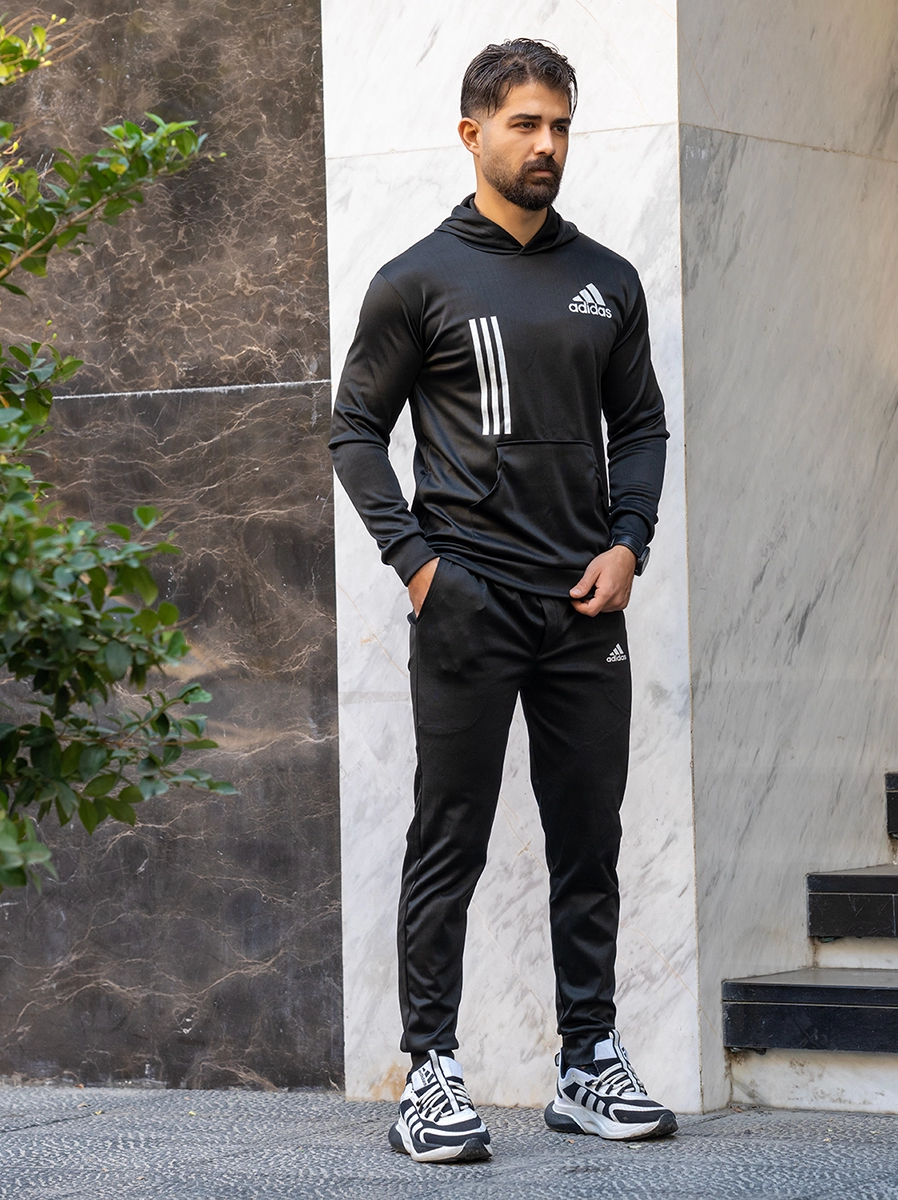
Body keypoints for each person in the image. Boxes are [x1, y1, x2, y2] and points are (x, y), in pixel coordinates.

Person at [329, 37, 674, 1164]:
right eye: (526, 124)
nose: (547, 145)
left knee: (589, 841)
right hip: (469, 605)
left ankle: (587, 1062)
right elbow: (354, 431)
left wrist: (629, 544)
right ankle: (428, 1074)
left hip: (584, 609)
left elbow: (642, 426)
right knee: (450, 839)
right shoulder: (417, 279)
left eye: (560, 125)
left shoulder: (608, 279)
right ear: (472, 133)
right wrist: (420, 566)